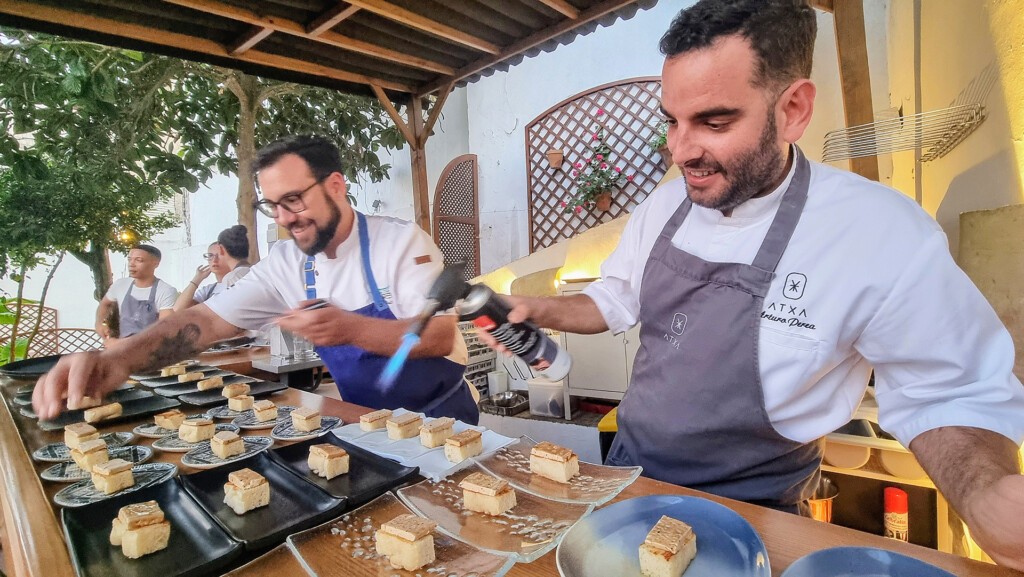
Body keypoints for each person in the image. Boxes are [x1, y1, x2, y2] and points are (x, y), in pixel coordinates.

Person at [481, 0, 1024, 568]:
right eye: (671, 120)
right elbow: (613, 298)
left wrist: (986, 496)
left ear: (792, 109)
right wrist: (533, 308)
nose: (680, 150)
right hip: (630, 484)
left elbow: (947, 391)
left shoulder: (879, 232)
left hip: (760, 514)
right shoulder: (664, 207)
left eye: (714, 123)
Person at [36, 135, 477, 425]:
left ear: (337, 186)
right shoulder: (287, 263)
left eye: (293, 200)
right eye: (273, 206)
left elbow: (437, 336)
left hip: (442, 418)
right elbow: (204, 322)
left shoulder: (399, 242)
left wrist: (350, 328)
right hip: (363, 420)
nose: (285, 219)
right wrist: (119, 360)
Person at [95, 244, 178, 342]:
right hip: (122, 347)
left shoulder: (166, 291)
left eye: (139, 260)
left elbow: (163, 329)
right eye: (130, 259)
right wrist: (100, 323)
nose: (131, 264)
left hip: (151, 350)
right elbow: (105, 304)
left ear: (156, 264)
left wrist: (120, 344)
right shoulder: (121, 285)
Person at [173, 226, 252, 312]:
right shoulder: (209, 289)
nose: (214, 260)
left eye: (219, 255)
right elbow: (178, 309)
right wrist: (196, 280)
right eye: (210, 256)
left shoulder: (240, 278)